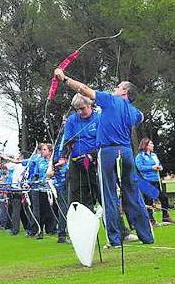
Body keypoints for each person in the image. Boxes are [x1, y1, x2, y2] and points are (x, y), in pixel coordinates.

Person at [53, 67, 154, 248]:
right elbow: (141, 116)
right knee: (132, 194)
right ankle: (146, 236)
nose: (115, 88)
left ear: (124, 92)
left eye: (118, 87)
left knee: (108, 196)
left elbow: (84, 89)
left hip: (108, 152)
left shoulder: (111, 100)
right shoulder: (133, 111)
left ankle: (114, 240)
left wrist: (64, 79)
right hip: (127, 153)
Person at [63, 94, 101, 211]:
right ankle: (78, 226)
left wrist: (91, 155)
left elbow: (103, 142)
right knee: (75, 195)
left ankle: (115, 227)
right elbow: (68, 141)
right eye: (77, 109)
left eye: (82, 108)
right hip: (76, 162)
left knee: (101, 193)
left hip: (95, 161)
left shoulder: (99, 119)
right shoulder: (71, 120)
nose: (80, 111)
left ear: (90, 105)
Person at [135, 138, 173, 224]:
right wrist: (152, 168)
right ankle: (151, 220)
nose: (153, 145)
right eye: (151, 144)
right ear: (146, 145)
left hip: (157, 180)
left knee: (163, 198)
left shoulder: (154, 156)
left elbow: (159, 165)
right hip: (147, 181)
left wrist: (160, 167)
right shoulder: (140, 156)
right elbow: (140, 168)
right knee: (148, 200)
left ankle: (165, 217)